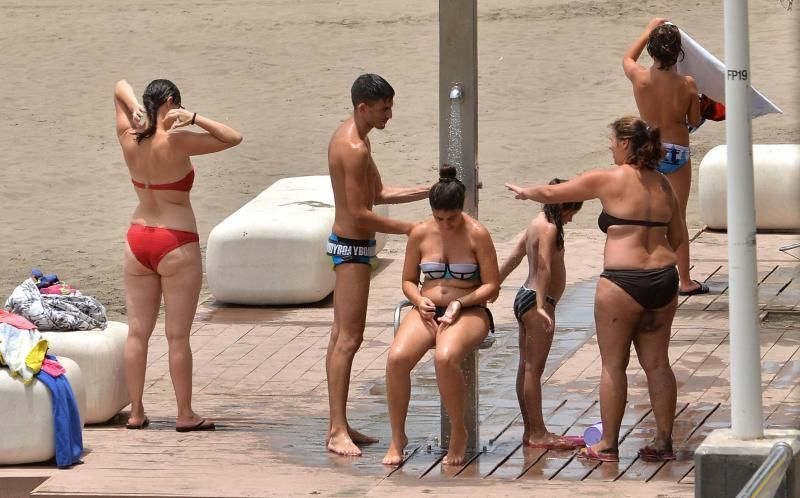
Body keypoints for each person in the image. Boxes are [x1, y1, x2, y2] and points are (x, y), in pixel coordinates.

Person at [506, 117, 685, 463]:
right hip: (663, 279)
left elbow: (555, 193)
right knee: (658, 363)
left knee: (613, 365)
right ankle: (663, 442)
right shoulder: (664, 185)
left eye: (613, 140)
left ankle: (608, 443)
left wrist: (525, 191)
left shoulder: (608, 178)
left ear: (625, 145)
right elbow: (677, 239)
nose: (609, 146)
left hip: (622, 281)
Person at [114, 79, 242, 432]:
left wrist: (136, 109)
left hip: (137, 238)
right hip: (176, 241)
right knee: (177, 336)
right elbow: (233, 137)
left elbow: (118, 87)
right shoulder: (178, 139)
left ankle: (137, 411)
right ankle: (185, 414)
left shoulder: (129, 138)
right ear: (172, 102)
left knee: (137, 333)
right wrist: (194, 117)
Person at [326, 73, 430, 456]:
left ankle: (340, 422)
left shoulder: (359, 138)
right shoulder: (352, 147)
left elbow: (380, 193)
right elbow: (358, 213)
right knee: (348, 339)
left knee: (341, 337)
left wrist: (430, 190)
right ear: (363, 107)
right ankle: (336, 429)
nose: (391, 115)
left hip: (351, 243)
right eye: (385, 108)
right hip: (351, 247)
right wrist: (412, 229)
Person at [382, 165, 500, 467]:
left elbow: (492, 287)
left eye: (451, 218)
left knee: (444, 358)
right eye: (439, 218)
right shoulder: (420, 233)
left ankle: (458, 432)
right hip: (428, 308)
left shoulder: (477, 234)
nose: (445, 225)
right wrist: (418, 299)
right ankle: (398, 437)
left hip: (470, 308)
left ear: (461, 210)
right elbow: (408, 279)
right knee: (396, 359)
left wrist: (461, 303)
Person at [623, 17, 708, 296]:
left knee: (647, 213)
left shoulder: (640, 77)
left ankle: (642, 270)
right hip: (677, 151)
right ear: (679, 53)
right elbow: (693, 121)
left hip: (649, 149)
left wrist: (647, 30)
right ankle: (684, 280)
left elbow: (627, 57)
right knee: (678, 217)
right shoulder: (687, 84)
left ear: (651, 50)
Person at [496, 179, 583, 449]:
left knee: (526, 367)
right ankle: (538, 433)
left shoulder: (535, 222)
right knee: (534, 369)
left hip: (524, 296)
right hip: (537, 303)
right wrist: (542, 305)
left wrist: (494, 284)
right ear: (563, 204)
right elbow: (544, 267)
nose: (569, 220)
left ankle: (530, 430)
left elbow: (514, 256)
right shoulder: (548, 228)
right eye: (571, 213)